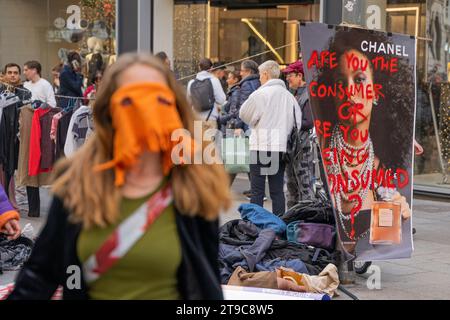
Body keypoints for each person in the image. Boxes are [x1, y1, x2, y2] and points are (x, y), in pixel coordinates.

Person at [8, 53, 231, 300]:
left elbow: (207, 284)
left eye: (156, 98)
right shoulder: (79, 184)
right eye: (131, 99)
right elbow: (40, 274)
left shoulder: (192, 187)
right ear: (108, 109)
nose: (145, 110)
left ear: (174, 107)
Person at [314, 29, 412, 252]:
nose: (350, 91)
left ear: (377, 91)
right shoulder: (321, 148)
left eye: (359, 79)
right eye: (341, 83)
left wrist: (398, 216)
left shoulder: (384, 165)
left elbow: (383, 247)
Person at [239, 60, 302, 216]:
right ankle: (279, 224)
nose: (260, 78)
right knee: (277, 191)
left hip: (260, 146)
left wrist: (255, 122)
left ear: (266, 74)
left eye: (260, 75)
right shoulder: (289, 97)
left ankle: (256, 225)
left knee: (257, 191)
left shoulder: (260, 94)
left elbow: (244, 114)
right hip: (279, 148)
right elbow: (297, 122)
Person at [282, 60, 316, 207]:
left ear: (300, 75)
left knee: (304, 185)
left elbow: (308, 122)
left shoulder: (308, 95)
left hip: (303, 148)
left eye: (290, 75)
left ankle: (307, 221)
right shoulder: (294, 93)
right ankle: (293, 218)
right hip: (294, 147)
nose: (288, 78)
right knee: (291, 186)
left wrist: (288, 120)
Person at [236, 60, 261, 199]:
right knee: (255, 158)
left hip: (248, 126)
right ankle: (256, 189)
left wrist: (239, 125)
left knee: (250, 158)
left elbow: (243, 108)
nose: (240, 73)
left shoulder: (246, 84)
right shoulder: (259, 83)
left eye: (242, 71)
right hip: (258, 125)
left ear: (249, 72)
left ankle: (255, 190)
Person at [187, 58, 226, 123]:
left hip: (196, 120)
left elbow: (188, 102)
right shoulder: (214, 80)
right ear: (211, 68)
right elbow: (221, 100)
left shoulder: (191, 83)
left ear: (199, 68)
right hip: (210, 118)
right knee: (210, 133)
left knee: (198, 133)